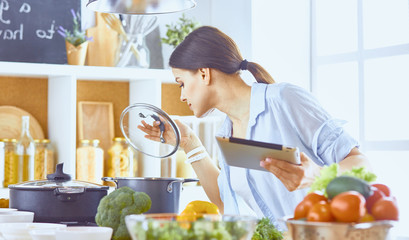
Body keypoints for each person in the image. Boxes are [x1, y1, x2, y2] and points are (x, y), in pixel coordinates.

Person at [138, 26, 370, 227]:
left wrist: (316, 174)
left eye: (181, 83)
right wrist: (189, 143)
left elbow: (361, 164)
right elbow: (224, 203)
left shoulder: (284, 100)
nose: (181, 96)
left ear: (203, 73)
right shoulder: (226, 131)